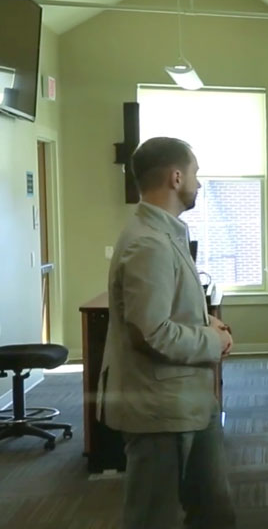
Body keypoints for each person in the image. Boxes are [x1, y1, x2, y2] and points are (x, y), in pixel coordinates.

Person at [99, 137, 236, 529]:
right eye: (195, 173)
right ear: (176, 177)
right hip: (161, 411)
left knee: (214, 512)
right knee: (153, 518)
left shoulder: (164, 232)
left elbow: (163, 310)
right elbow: (152, 332)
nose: (198, 182)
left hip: (187, 404)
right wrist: (215, 340)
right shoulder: (149, 243)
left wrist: (204, 321)